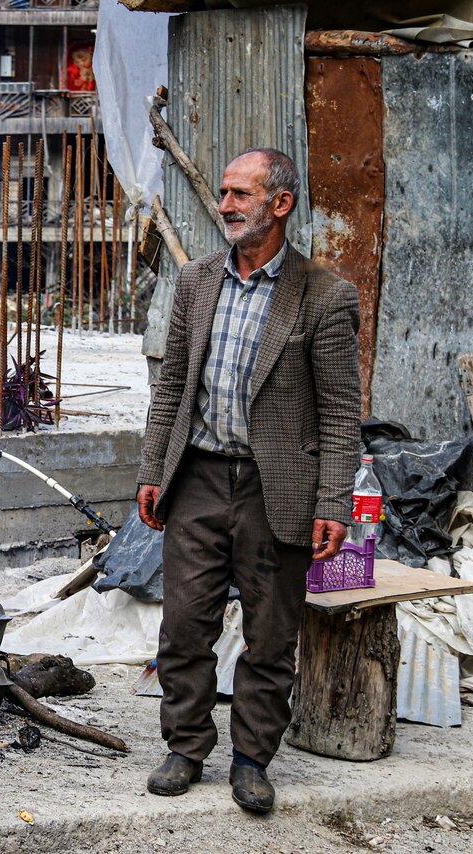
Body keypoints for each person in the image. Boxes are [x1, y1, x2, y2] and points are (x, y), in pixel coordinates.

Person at [135, 149, 361, 813]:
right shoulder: (197, 281)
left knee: (270, 635)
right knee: (183, 624)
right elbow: (171, 383)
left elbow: (342, 413)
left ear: (280, 203)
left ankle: (253, 759)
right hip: (199, 475)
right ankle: (184, 746)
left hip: (277, 487)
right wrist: (153, 469)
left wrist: (334, 502)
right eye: (226, 193)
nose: (227, 205)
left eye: (241, 194)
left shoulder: (324, 296)